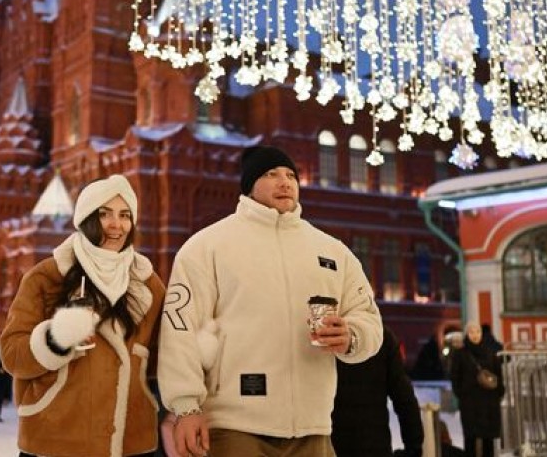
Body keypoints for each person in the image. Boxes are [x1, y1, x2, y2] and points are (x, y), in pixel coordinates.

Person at [158, 145, 383, 457]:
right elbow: (180, 331)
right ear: (250, 185)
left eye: (291, 175)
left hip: (313, 426)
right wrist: (185, 407)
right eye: (271, 174)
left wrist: (352, 335)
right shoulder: (207, 247)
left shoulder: (332, 251)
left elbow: (367, 315)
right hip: (232, 426)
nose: (285, 182)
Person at [0, 174, 167, 457]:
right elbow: (11, 354)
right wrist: (55, 339)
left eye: (125, 215)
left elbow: (164, 359)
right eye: (105, 214)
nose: (117, 225)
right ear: (86, 218)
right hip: (56, 436)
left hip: (130, 442)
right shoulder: (47, 276)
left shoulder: (148, 284)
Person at [331, 327, 423, 457]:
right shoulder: (380, 336)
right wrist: (414, 446)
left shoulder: (322, 337)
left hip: (329, 443)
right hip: (374, 444)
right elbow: (404, 399)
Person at [450, 321, 504, 457]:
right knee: (470, 438)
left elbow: (498, 374)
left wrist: (499, 392)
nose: (475, 335)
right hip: (470, 403)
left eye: (477, 332)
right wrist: (461, 394)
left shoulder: (490, 351)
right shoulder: (461, 354)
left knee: (488, 440)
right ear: (467, 334)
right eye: (471, 332)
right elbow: (455, 376)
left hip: (488, 401)